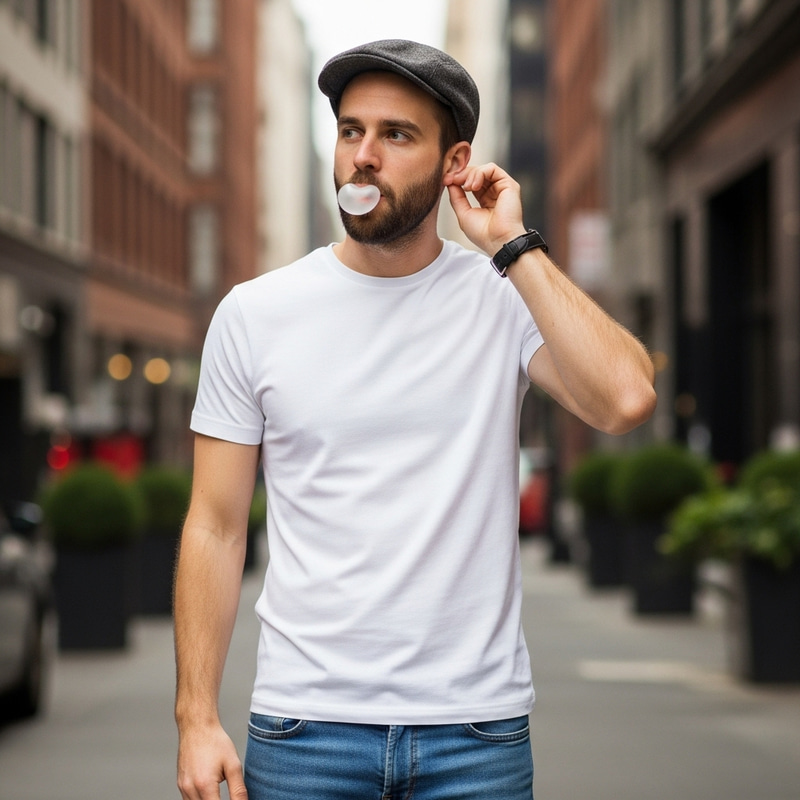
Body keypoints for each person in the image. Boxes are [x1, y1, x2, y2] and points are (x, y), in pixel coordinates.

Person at [174, 39, 656, 800]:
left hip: (475, 734)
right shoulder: (254, 314)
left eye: (396, 135)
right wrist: (195, 717)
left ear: (452, 162)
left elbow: (626, 398)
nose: (363, 157)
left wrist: (512, 244)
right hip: (304, 730)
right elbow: (214, 524)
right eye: (351, 131)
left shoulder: (503, 299)